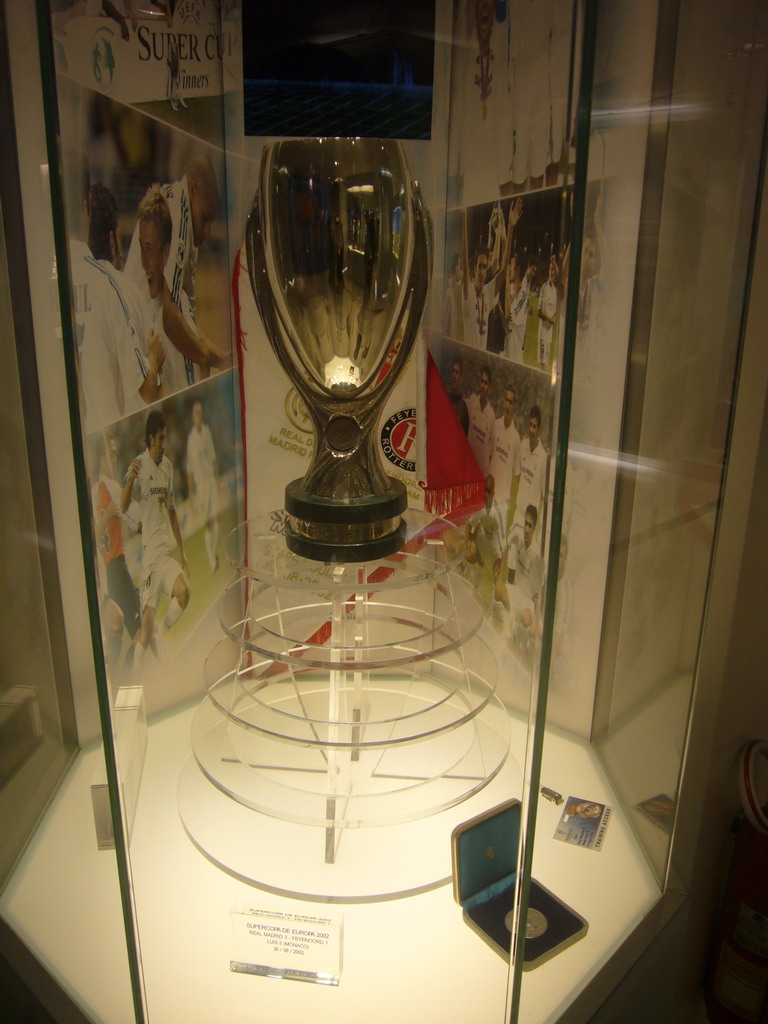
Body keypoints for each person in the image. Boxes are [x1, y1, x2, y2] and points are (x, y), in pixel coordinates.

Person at [125, 156, 226, 389]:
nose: (208, 231)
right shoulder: (178, 211)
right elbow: (170, 320)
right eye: (206, 218)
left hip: (143, 336)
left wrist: (216, 356)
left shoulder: (185, 216)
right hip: (146, 338)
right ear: (194, 188)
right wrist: (215, 358)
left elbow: (186, 321)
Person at [83, 183, 165, 427]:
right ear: (112, 240)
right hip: (113, 445)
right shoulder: (120, 289)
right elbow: (144, 397)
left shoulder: (64, 283)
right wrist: (154, 363)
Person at [121, 409, 189, 674]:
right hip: (149, 562)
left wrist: (182, 552)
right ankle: (137, 682)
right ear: (151, 439)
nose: (164, 444)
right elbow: (123, 504)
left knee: (184, 593)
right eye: (161, 438)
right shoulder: (138, 467)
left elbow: (171, 511)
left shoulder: (168, 467)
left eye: (166, 438)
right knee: (145, 635)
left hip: (166, 556)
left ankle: (163, 629)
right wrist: (129, 480)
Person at [92, 430, 141, 674]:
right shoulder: (108, 487)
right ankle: (127, 678)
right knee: (141, 632)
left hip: (106, 573)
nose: (114, 459)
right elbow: (134, 519)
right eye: (110, 454)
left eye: (115, 454)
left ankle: (117, 675)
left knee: (117, 621)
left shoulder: (92, 492)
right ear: (101, 459)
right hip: (115, 568)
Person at [499, 504, 542, 652]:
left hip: (526, 601)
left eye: (530, 526)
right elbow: (506, 547)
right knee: (498, 591)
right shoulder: (518, 538)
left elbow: (541, 587)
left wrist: (537, 609)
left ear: (534, 528)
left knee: (526, 620)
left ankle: (522, 645)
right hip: (515, 591)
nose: (527, 529)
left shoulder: (537, 555)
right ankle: (507, 630)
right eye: (526, 524)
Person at [186, 399, 219, 571]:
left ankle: (213, 555)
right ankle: (212, 559)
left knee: (217, 518)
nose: (198, 415)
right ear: (193, 416)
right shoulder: (191, 440)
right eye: (195, 413)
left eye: (200, 412)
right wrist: (191, 495)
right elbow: (189, 469)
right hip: (201, 486)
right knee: (207, 523)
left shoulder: (206, 432)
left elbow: (213, 457)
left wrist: (218, 480)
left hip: (211, 481)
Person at [511, 405, 547, 535]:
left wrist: (536, 527)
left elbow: (543, 496)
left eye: (535, 426)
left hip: (530, 522)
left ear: (539, 429)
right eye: (530, 425)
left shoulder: (543, 457)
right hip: (518, 513)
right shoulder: (523, 445)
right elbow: (517, 476)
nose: (532, 430)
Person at [489, 383, 521, 522]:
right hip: (490, 496)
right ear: (503, 401)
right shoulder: (495, 425)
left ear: (514, 405)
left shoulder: (516, 437)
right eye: (506, 400)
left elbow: (516, 474)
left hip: (503, 502)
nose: (508, 405)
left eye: (511, 402)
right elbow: (489, 457)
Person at [466, 366, 495, 475]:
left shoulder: (491, 416)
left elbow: (490, 451)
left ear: (489, 387)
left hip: (480, 472)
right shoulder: (472, 401)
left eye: (486, 383)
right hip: (468, 464)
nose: (482, 386)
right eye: (481, 381)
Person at [537, 254, 559, 371]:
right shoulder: (544, 288)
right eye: (551, 270)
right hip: (542, 334)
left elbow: (554, 312)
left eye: (554, 270)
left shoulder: (554, 291)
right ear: (548, 271)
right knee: (542, 366)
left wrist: (554, 318)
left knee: (546, 363)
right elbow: (539, 312)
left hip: (549, 335)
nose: (552, 272)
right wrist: (548, 319)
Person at [448, 356, 470, 435]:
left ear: (461, 377)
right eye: (453, 371)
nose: (454, 375)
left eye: (457, 372)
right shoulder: (444, 398)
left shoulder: (463, 408)